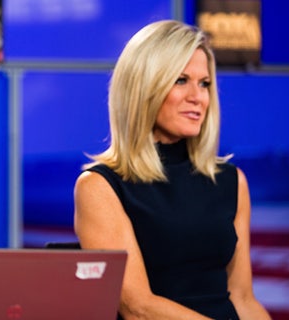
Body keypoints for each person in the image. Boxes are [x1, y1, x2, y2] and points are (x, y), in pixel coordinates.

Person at [73, 20, 271, 320]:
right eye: (181, 80)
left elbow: (243, 299)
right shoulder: (99, 187)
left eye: (204, 83)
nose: (198, 97)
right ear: (144, 86)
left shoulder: (232, 181)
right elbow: (138, 307)